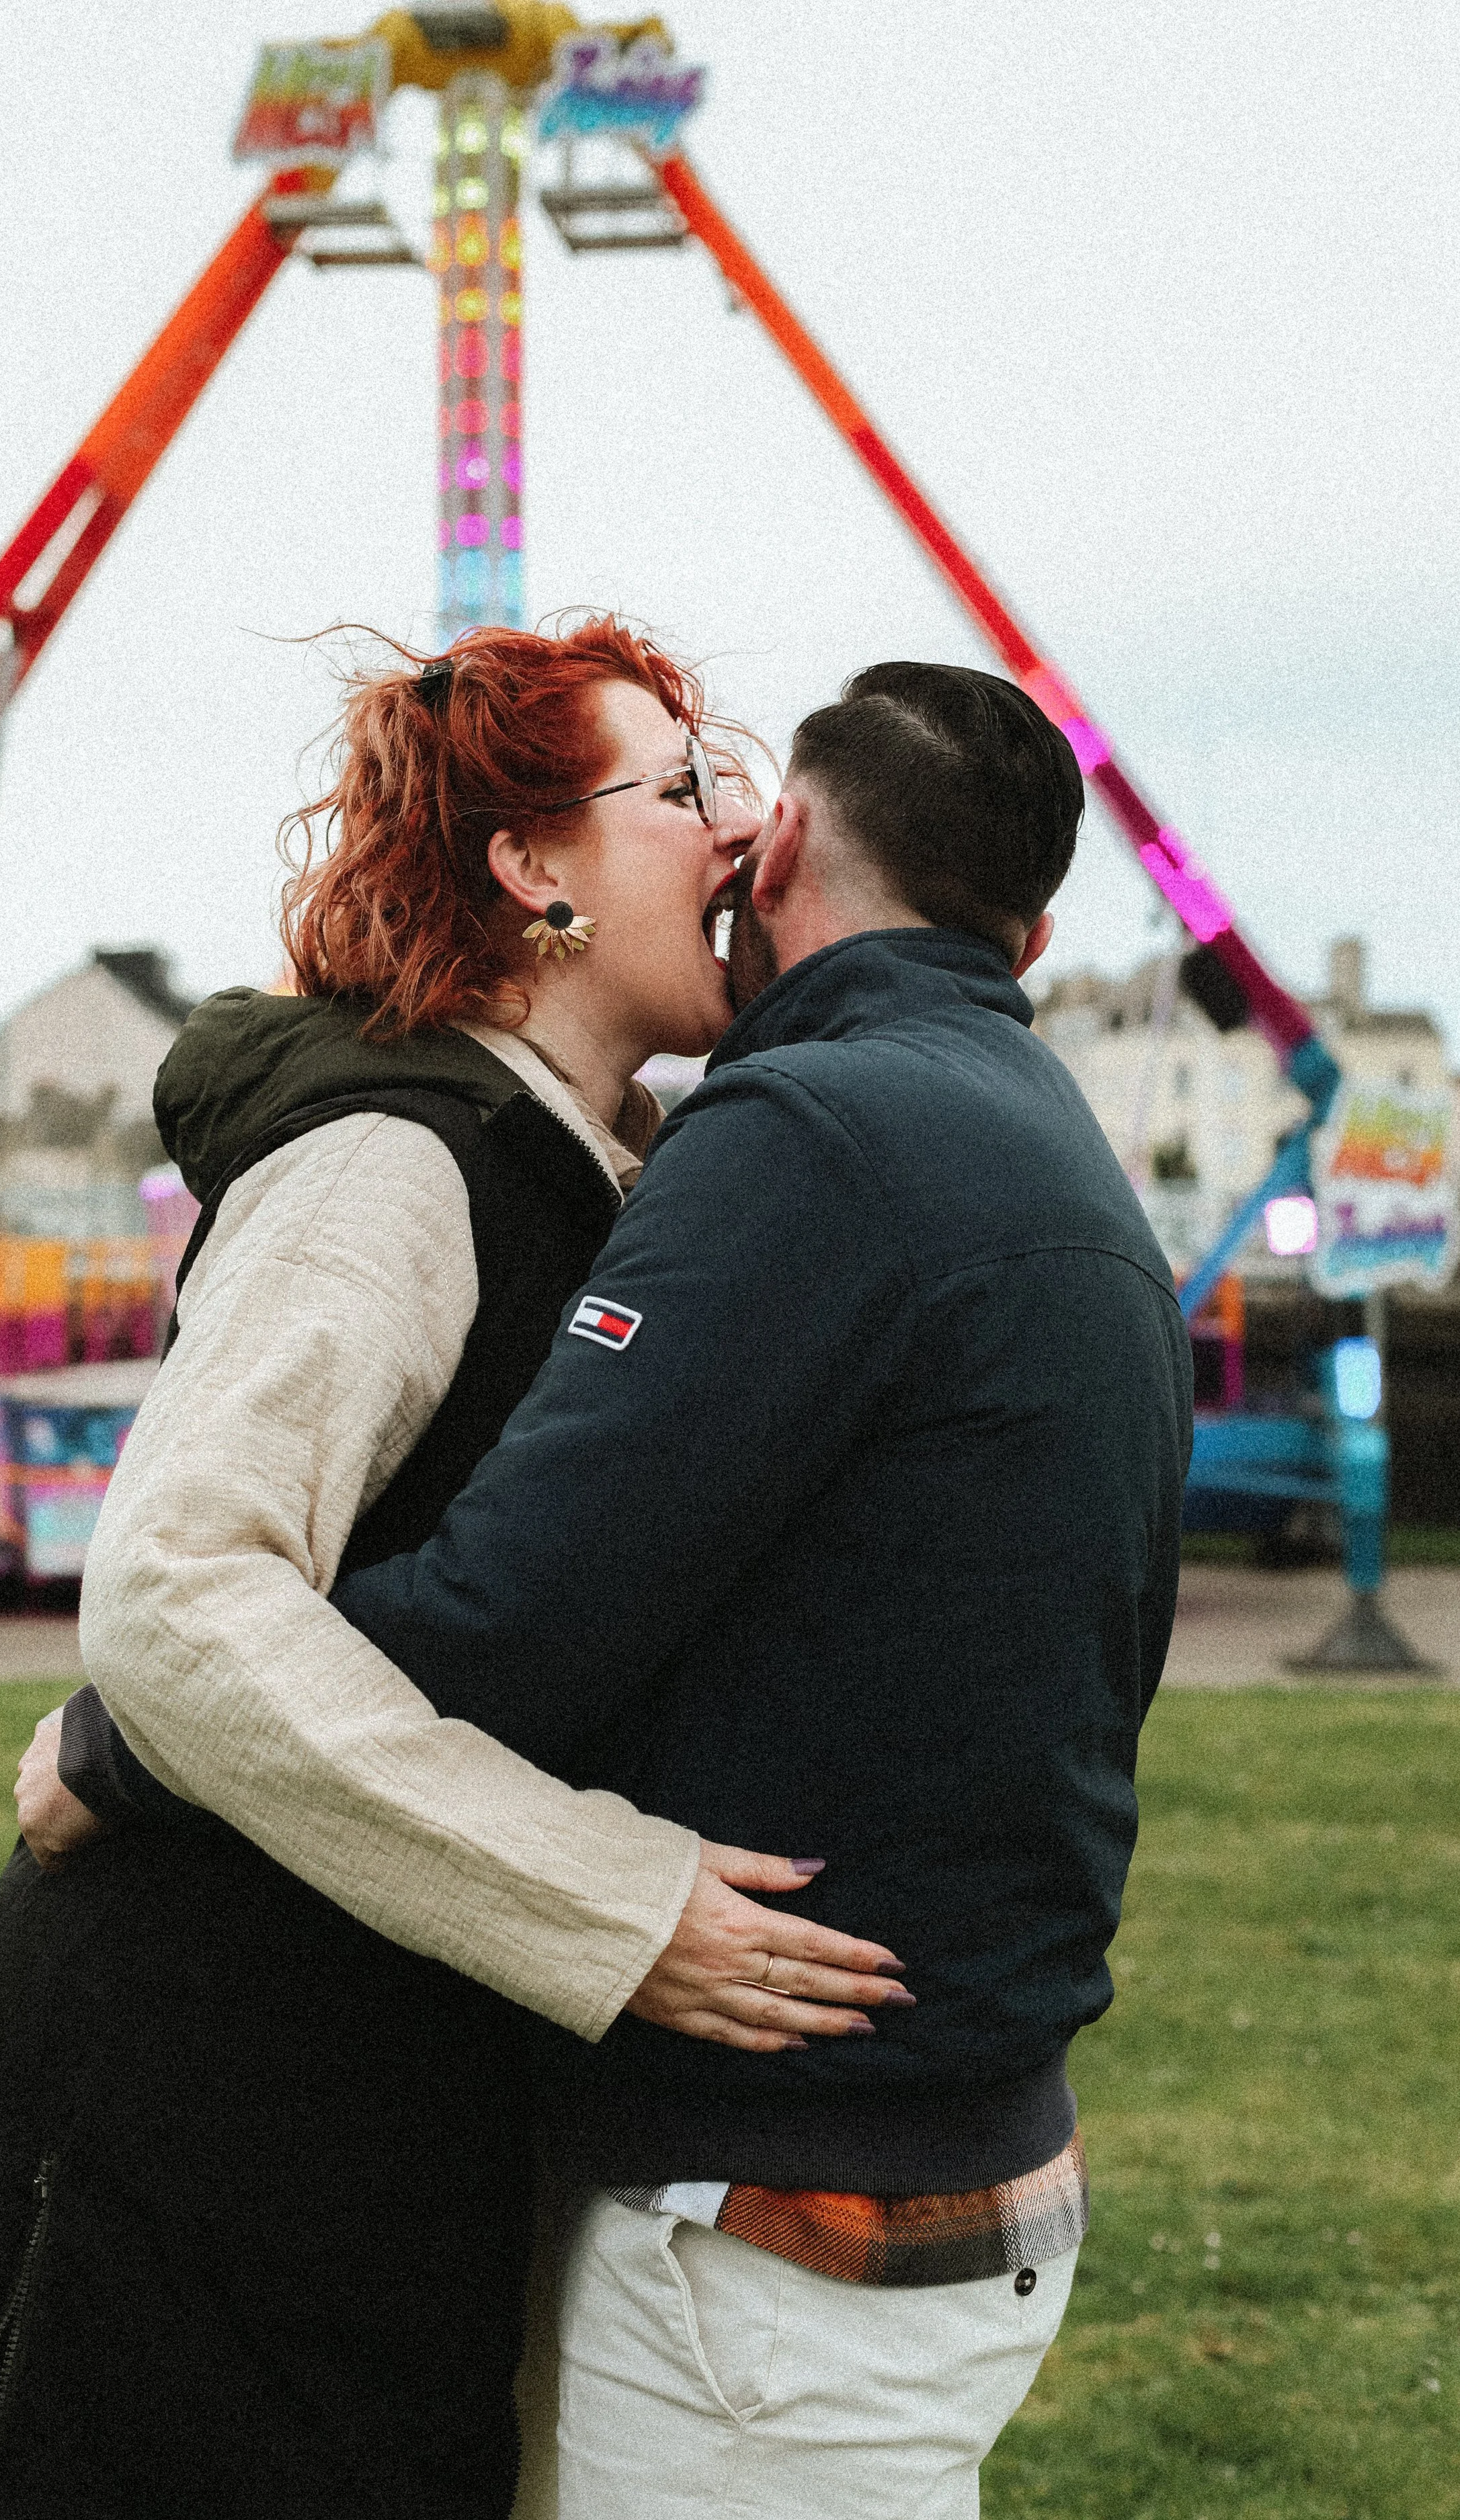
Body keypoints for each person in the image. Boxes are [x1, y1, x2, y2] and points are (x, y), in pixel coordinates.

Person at [0, 621, 902, 2520]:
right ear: (530, 869)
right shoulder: (393, 1163)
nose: (734, 838)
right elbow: (179, 1599)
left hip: (357, 2109)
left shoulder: (596, 1172)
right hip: (186, 2136)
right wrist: (614, 1905)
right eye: (679, 789)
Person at [326, 661, 1196, 2517]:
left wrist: (153, 1725)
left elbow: (508, 1617)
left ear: (776, 838)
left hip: (781, 2211)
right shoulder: (1051, 1155)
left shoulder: (811, 1132)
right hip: (962, 2154)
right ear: (1026, 933)